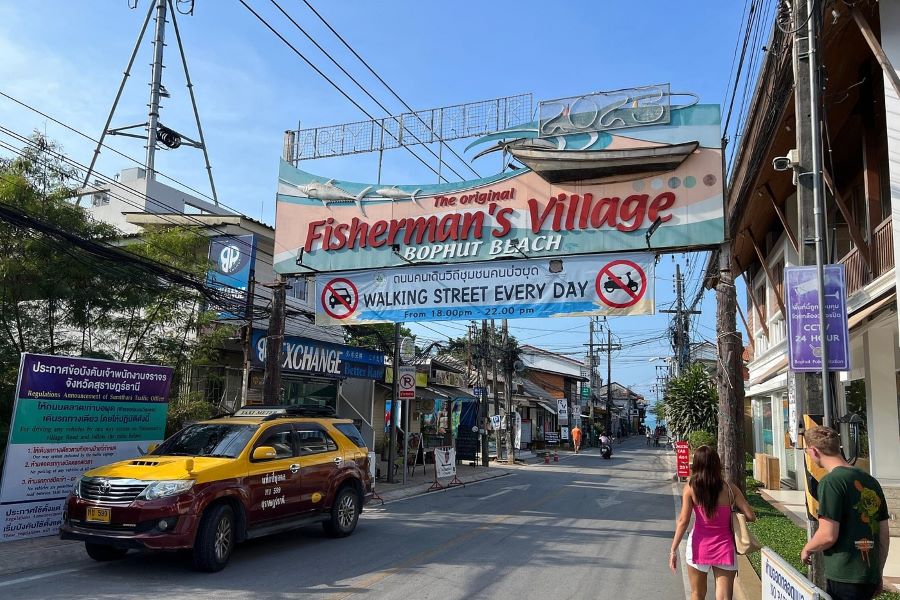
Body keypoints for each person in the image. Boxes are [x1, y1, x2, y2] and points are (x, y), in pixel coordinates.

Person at [800, 426, 890, 600]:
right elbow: (884, 534)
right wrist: (878, 572)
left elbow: (827, 535)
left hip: (844, 575)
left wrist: (807, 548)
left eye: (807, 451)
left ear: (813, 451)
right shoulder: (871, 481)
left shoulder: (831, 482)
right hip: (868, 575)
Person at [670, 446, 756, 600]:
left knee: (697, 594)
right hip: (724, 546)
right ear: (717, 464)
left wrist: (673, 549)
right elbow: (750, 516)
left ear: (696, 464)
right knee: (723, 597)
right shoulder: (730, 489)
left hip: (699, 546)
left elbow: (683, 521)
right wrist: (731, 513)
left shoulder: (691, 488)